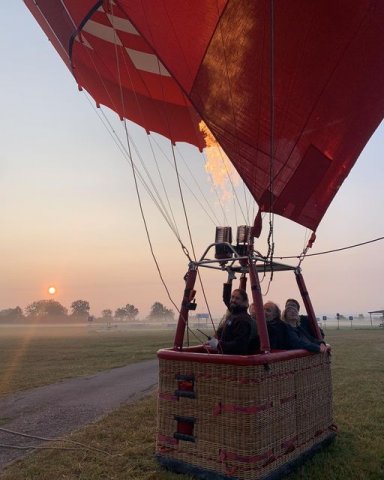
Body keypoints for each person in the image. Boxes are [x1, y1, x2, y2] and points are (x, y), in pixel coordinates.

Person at [206, 288, 254, 354]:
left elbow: (239, 345)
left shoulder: (243, 319)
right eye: (232, 297)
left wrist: (218, 345)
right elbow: (224, 330)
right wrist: (215, 337)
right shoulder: (233, 315)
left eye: (237, 298)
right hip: (226, 357)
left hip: (234, 360)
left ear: (244, 302)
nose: (233, 300)